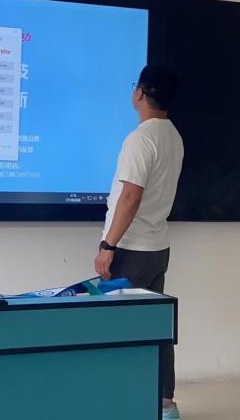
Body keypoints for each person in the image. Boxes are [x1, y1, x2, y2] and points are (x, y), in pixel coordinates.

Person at [94, 65, 184, 420]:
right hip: (157, 248)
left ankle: (122, 402)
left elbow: (130, 196)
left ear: (140, 93)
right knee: (156, 327)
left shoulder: (141, 139)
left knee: (119, 328)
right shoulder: (173, 136)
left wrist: (108, 246)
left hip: (131, 250)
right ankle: (164, 404)